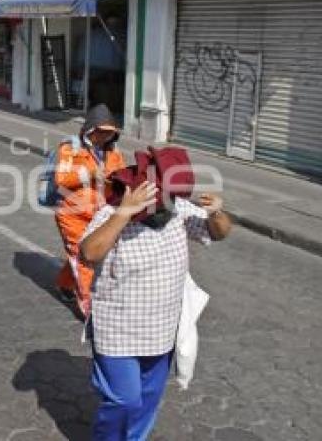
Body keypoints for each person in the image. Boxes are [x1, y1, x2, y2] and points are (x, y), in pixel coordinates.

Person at [81, 181, 231, 439]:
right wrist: (124, 213)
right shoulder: (111, 213)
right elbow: (89, 253)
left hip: (161, 329)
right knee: (124, 400)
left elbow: (218, 233)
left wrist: (216, 213)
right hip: (117, 330)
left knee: (148, 400)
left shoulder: (178, 211)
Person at [53, 103, 126, 319]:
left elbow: (121, 175)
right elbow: (61, 179)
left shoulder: (114, 152)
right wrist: (91, 175)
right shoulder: (69, 149)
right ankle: (90, 311)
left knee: (83, 256)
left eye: (108, 133)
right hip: (73, 215)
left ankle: (65, 284)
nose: (103, 137)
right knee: (84, 259)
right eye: (100, 132)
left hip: (101, 214)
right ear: (90, 130)